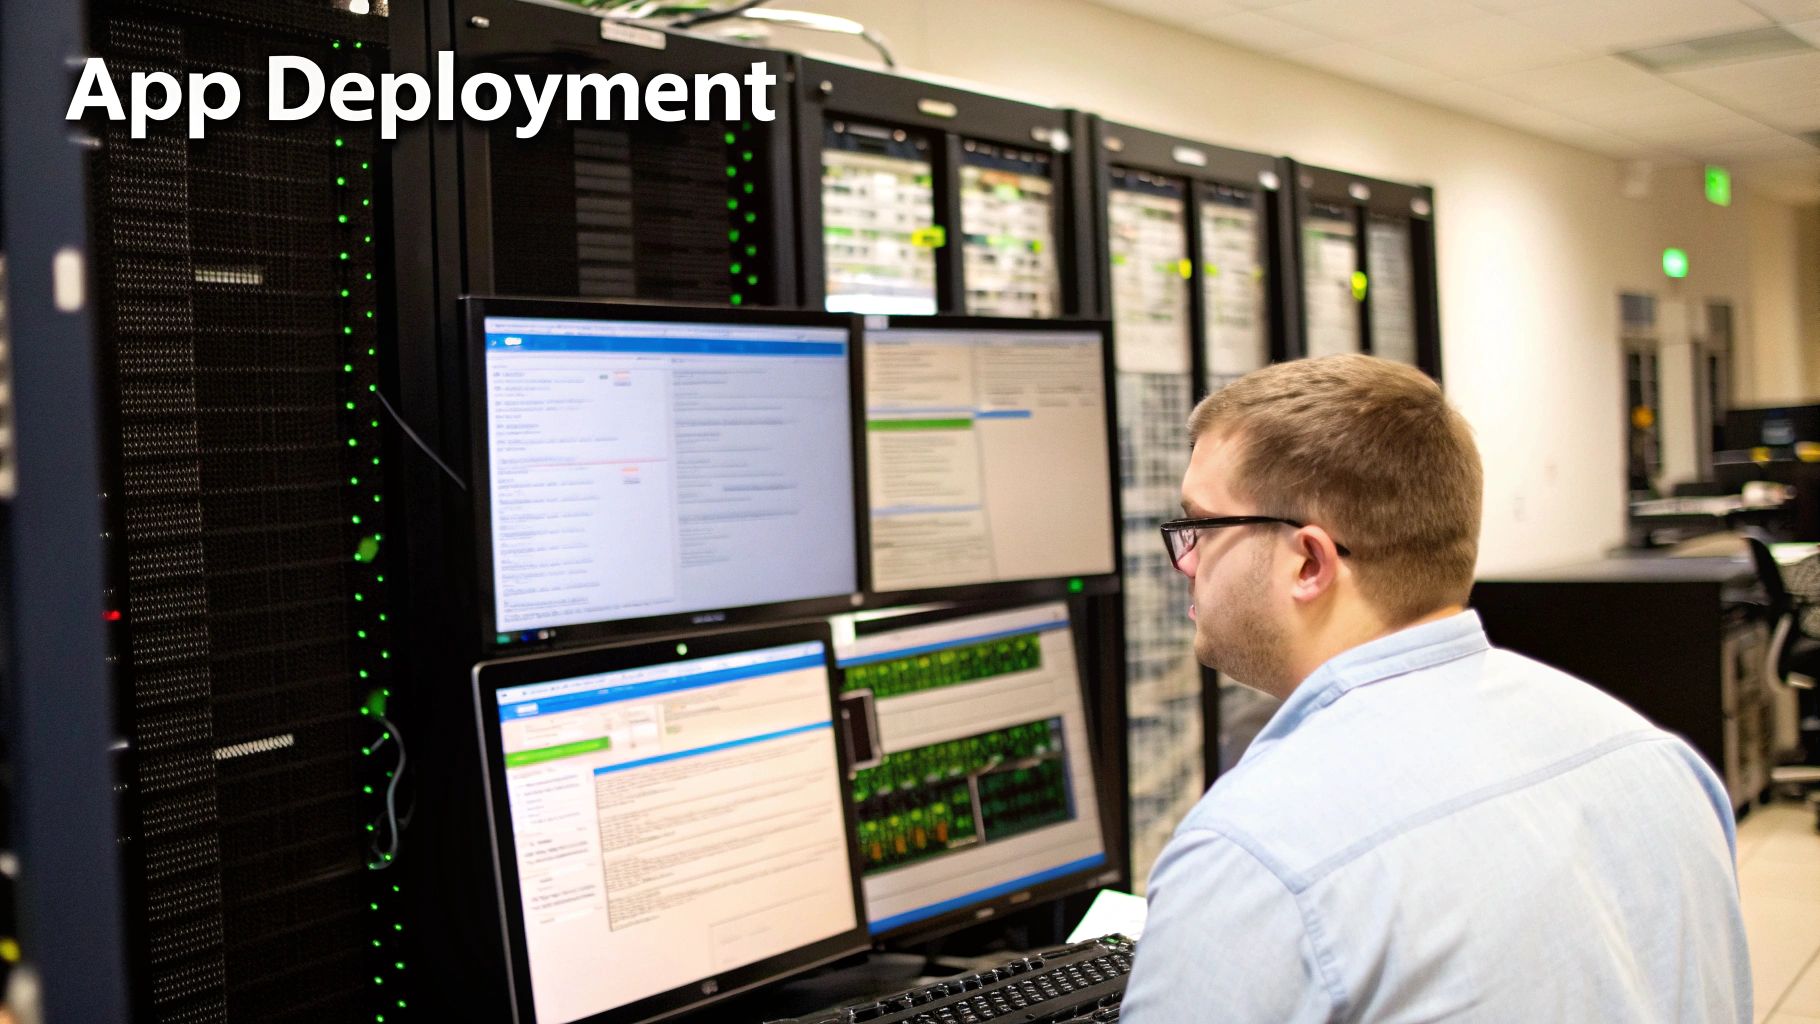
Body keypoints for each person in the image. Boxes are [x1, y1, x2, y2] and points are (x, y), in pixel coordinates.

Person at [1120, 355, 1751, 1022]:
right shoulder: (1652, 757)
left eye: (1200, 527)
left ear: (1309, 561)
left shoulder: (1253, 854)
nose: (1185, 562)